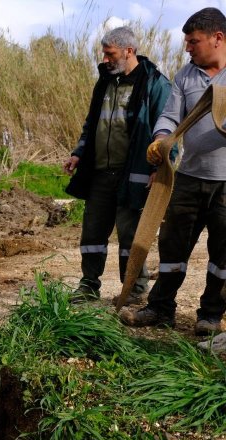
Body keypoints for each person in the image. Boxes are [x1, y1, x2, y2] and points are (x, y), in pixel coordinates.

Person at [120, 7, 226, 335]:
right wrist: (161, 138)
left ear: (217, 38)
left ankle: (210, 315)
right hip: (190, 178)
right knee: (172, 247)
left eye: (193, 41)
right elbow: (169, 115)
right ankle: (160, 307)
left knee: (222, 254)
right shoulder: (185, 76)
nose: (187, 48)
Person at [64, 27, 172, 305]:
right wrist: (78, 153)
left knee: (130, 236)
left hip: (133, 174)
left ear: (129, 51)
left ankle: (134, 290)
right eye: (104, 53)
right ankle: (88, 285)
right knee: (93, 233)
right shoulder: (105, 82)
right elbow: (92, 122)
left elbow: (169, 130)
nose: (105, 58)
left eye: (110, 53)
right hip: (100, 173)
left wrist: (160, 170)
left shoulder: (155, 83)